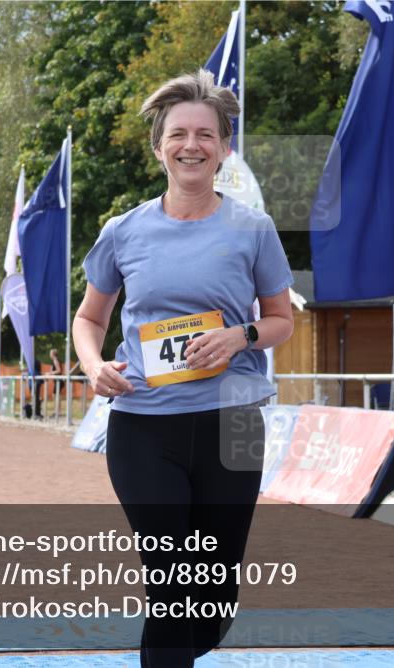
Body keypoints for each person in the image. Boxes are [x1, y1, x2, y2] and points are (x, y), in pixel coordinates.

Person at [73, 70, 294, 667]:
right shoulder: (123, 231)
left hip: (234, 425)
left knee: (214, 594)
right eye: (178, 134)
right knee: (170, 580)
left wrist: (238, 336)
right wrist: (93, 365)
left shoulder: (253, 229)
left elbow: (281, 320)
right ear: (158, 147)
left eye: (205, 134)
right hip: (145, 425)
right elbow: (89, 320)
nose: (190, 144)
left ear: (224, 149)